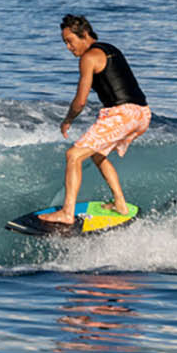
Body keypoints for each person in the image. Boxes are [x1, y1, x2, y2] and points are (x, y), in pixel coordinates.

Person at [42, 13, 151, 226]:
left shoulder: (88, 58)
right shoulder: (110, 49)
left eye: (70, 41)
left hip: (122, 114)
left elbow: (80, 101)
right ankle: (120, 203)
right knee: (97, 154)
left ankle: (66, 213)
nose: (68, 47)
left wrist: (67, 120)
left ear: (84, 34)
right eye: (65, 43)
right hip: (142, 113)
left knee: (73, 156)